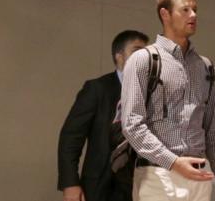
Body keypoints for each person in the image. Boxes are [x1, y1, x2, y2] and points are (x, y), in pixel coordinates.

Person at [121, 0, 215, 201]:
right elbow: (132, 124)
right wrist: (172, 161)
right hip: (157, 174)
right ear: (165, 14)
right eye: (185, 10)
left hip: (200, 174)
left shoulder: (204, 66)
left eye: (195, 9)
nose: (193, 15)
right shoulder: (143, 60)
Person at [57, 30, 149, 201]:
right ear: (119, 56)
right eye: (137, 51)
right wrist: (70, 184)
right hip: (99, 186)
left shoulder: (151, 96)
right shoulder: (97, 89)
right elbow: (71, 138)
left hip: (139, 186)